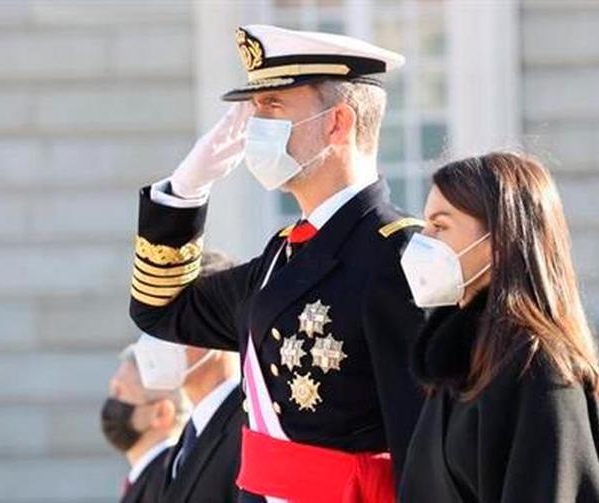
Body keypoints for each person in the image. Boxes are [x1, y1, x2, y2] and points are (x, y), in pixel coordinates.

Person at [127, 24, 424, 502]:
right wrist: (184, 192)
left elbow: (418, 437)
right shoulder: (280, 256)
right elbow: (161, 310)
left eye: (273, 107)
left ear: (337, 123)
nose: (252, 126)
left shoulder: (397, 256)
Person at [398, 152, 599, 502]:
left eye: (440, 226)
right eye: (426, 224)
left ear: (499, 242)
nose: (422, 238)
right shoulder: (457, 363)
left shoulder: (537, 367)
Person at [132, 250, 246, 503]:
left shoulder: (251, 428)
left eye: (174, 318)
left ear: (213, 324)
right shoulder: (187, 438)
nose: (159, 335)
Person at [101, 344, 189, 503]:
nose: (112, 402)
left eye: (120, 392)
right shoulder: (149, 477)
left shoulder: (169, 480)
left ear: (161, 413)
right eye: (113, 391)